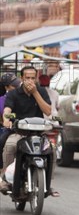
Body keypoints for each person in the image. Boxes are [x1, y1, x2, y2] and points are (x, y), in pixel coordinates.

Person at [1, 66, 52, 194]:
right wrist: (6, 119)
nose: (30, 81)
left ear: (36, 79)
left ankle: (47, 183)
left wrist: (35, 93)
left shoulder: (42, 91)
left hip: (38, 133)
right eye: (27, 78)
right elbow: (7, 109)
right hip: (19, 132)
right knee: (10, 146)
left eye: (33, 78)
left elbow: (48, 111)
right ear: (22, 78)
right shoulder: (13, 94)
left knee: (52, 150)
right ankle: (6, 180)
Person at [0, 73, 21, 169]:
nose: (17, 87)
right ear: (6, 87)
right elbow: (5, 115)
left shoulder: (23, 95)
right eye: (14, 85)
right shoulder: (2, 100)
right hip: (8, 128)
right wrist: (7, 121)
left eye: (17, 84)